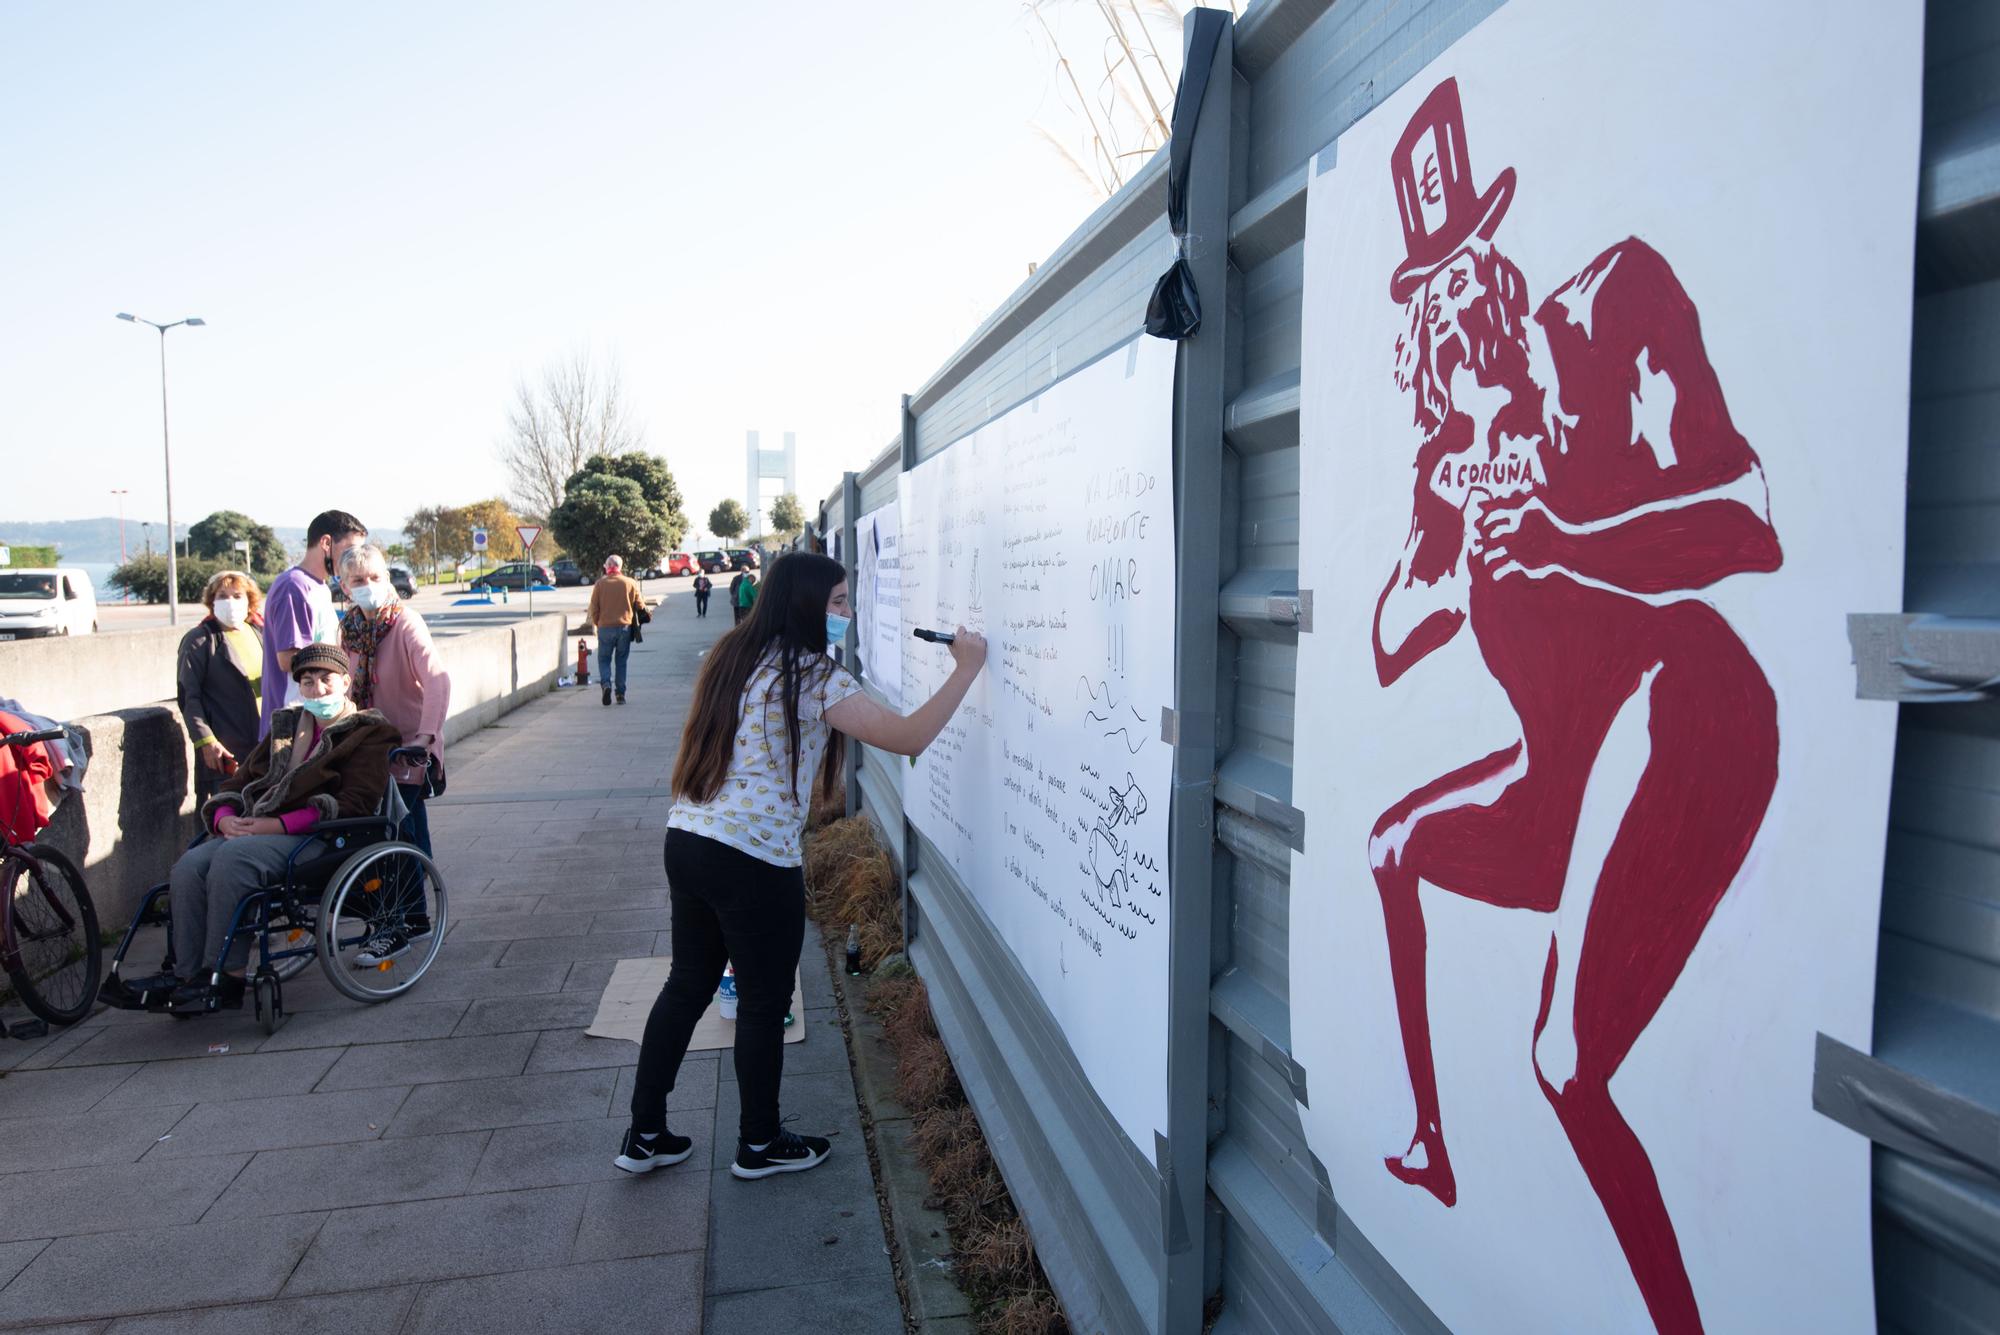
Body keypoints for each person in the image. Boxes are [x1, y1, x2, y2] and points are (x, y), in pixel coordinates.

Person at [1362, 81, 1782, 1331]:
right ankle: (1431, 1139)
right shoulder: (1460, 446)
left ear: (1499, 263)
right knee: (1391, 846)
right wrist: (1436, 527)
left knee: (1562, 1064)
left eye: (1465, 276)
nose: (1457, 327)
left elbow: (1749, 522)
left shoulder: (1611, 307)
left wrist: (1562, 532)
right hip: (1567, 766)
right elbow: (1391, 642)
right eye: (1429, 308)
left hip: (1687, 711)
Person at [617, 552, 986, 1179]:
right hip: (754, 860)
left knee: (687, 984)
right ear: (806, 605)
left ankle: (644, 1135)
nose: (846, 613)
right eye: (838, 602)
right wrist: (967, 669)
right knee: (763, 1002)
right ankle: (758, 1145)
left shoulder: (731, 657)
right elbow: (908, 738)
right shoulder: (814, 677)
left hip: (690, 837)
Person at [140, 644, 398, 1012]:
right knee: (190, 867)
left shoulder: (369, 732)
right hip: (257, 826)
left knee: (233, 860)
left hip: (320, 836)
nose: (317, 689)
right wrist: (223, 816)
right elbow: (239, 781)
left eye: (326, 680)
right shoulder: (286, 727)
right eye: (307, 682)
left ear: (345, 682)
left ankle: (225, 974)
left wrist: (274, 825)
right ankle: (186, 974)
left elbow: (353, 802)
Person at [339, 544, 451, 962]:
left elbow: (437, 680)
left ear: (387, 580)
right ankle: (415, 916)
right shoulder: (349, 629)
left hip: (407, 748)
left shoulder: (405, 623)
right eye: (357, 581)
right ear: (344, 586)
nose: (366, 587)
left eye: (374, 578)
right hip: (368, 747)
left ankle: (402, 922)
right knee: (398, 832)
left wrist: (425, 737)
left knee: (400, 831)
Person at [260, 510, 368, 737]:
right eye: (348, 551)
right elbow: (289, 659)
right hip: (293, 723)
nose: (353, 560)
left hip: (314, 721)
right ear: (326, 542)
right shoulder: (294, 587)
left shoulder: (318, 587)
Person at [176, 570, 266, 805]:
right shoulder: (199, 640)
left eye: (237, 595)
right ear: (212, 602)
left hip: (264, 745)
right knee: (227, 813)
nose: (230, 602)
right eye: (222, 596)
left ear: (250, 601)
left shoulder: (261, 633)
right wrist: (206, 741)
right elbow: (188, 696)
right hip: (227, 750)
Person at [587, 555, 647, 707]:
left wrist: (597, 623)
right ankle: (620, 694)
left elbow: (594, 608)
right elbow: (641, 605)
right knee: (621, 661)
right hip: (624, 628)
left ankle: (606, 684)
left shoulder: (600, 584)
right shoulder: (630, 583)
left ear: (607, 566)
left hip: (605, 627)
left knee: (604, 659)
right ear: (620, 567)